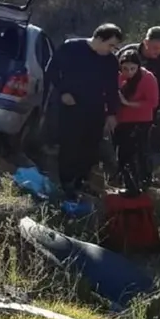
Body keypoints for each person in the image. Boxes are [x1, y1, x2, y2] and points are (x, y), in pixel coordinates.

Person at [44, 24, 122, 199]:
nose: (112, 50)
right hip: (70, 106)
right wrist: (62, 92)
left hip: (95, 109)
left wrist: (111, 113)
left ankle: (81, 182)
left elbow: (112, 88)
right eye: (110, 45)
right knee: (70, 145)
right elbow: (51, 70)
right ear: (99, 39)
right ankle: (66, 183)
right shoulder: (71, 48)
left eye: (114, 47)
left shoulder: (110, 61)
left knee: (90, 148)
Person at [117, 26, 160, 183]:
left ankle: (145, 179)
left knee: (143, 145)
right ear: (145, 42)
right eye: (154, 47)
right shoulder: (128, 53)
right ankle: (122, 178)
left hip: (147, 110)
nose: (157, 51)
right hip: (121, 109)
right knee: (122, 145)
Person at [113, 49, 159, 196]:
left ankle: (139, 185)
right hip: (122, 120)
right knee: (123, 152)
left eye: (132, 68)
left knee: (138, 153)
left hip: (141, 120)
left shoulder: (147, 78)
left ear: (138, 66)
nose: (129, 72)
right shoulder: (118, 77)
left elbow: (152, 102)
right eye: (125, 68)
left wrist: (128, 103)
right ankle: (129, 183)